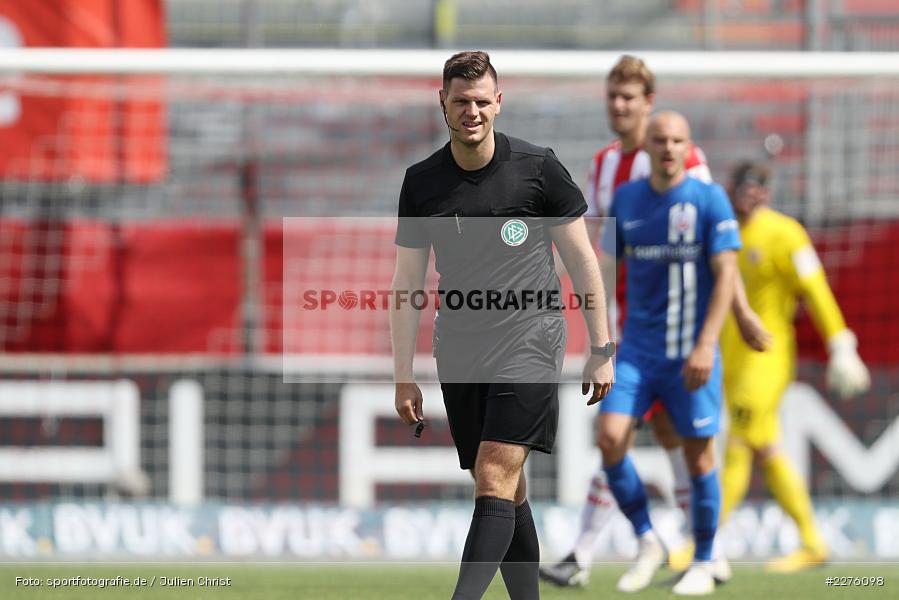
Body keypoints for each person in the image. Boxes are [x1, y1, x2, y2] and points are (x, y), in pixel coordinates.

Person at [390, 51, 615, 600]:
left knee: (494, 474)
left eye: (481, 101)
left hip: (532, 338)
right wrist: (402, 374)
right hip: (461, 349)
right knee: (506, 493)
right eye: (461, 101)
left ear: (499, 101)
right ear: (442, 102)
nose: (472, 111)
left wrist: (601, 345)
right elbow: (406, 282)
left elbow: (583, 260)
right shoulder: (421, 183)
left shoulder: (538, 169)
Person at [540, 55, 764, 589]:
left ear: (649, 102)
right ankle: (647, 543)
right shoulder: (605, 167)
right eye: (611, 97)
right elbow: (594, 238)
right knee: (621, 433)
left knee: (677, 437)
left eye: (628, 97)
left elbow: (715, 243)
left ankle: (691, 548)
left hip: (681, 330)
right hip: (627, 327)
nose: (618, 106)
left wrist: (742, 314)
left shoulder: (686, 166)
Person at [596, 110, 739, 596]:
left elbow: (726, 276)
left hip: (690, 356)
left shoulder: (709, 199)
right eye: (660, 139)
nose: (669, 148)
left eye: (678, 140)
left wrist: (705, 345)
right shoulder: (627, 199)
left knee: (700, 460)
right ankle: (646, 537)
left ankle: (703, 558)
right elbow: (601, 270)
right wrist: (600, 346)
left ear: (688, 145)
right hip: (637, 351)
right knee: (610, 437)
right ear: (648, 147)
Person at [718, 161, 871, 572]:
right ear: (732, 189)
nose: (751, 195)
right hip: (729, 357)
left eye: (758, 189)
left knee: (737, 443)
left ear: (767, 194)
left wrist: (840, 343)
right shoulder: (724, 232)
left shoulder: (786, 233)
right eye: (744, 187)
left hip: (766, 357)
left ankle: (705, 542)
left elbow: (816, 290)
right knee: (766, 446)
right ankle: (811, 541)